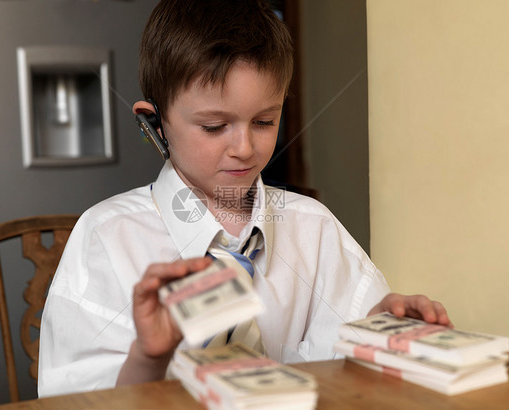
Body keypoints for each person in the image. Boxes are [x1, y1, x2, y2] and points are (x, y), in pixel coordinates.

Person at [37, 0, 451, 397]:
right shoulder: (106, 238)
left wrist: (384, 330)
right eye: (215, 126)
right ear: (155, 122)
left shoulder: (314, 228)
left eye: (264, 121)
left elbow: (347, 364)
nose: (244, 147)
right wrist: (149, 357)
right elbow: (77, 399)